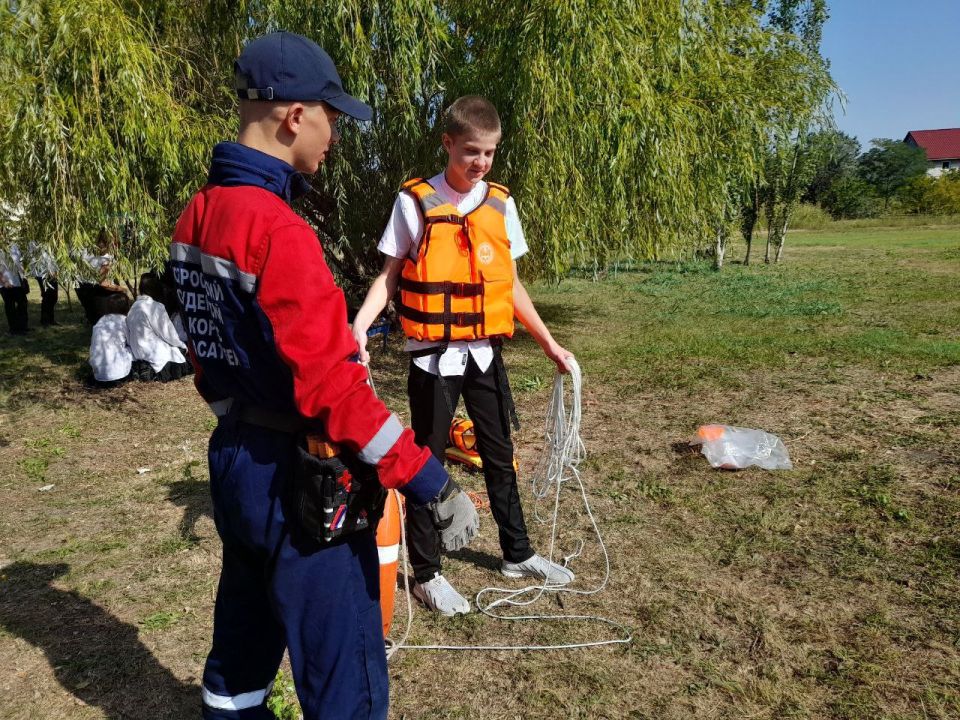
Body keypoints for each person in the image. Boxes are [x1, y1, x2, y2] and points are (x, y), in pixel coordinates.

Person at [168, 32, 478, 720]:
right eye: (332, 116)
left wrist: (244, 404)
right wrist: (432, 481)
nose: (336, 133)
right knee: (343, 676)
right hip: (303, 480)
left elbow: (203, 343)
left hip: (234, 461)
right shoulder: (279, 230)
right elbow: (333, 393)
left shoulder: (195, 215)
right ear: (292, 116)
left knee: (241, 649)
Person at [352, 95, 576, 617]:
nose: (480, 163)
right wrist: (359, 326)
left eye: (490, 154)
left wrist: (549, 343)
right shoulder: (414, 201)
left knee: (499, 456)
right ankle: (427, 573)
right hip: (433, 358)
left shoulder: (501, 202)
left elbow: (511, 284)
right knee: (424, 465)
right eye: (471, 152)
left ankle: (517, 553)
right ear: (448, 143)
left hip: (483, 354)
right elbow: (388, 277)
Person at [126, 272, 191, 381]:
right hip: (155, 354)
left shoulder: (133, 307)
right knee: (184, 359)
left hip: (139, 353)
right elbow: (168, 334)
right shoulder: (155, 307)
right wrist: (183, 346)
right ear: (157, 290)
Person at [88, 293, 133, 388]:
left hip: (98, 373)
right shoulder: (124, 321)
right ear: (126, 307)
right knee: (134, 350)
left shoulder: (101, 320)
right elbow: (131, 342)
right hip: (119, 374)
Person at [0, 242, 29, 335]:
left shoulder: (14, 245)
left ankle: (22, 326)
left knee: (23, 302)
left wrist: (23, 276)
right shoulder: (1, 247)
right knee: (10, 305)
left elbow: (19, 262)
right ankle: (14, 329)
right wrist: (4, 282)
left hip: (17, 281)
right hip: (5, 282)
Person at [27, 241, 58, 326]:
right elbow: (37, 257)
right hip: (42, 273)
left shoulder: (48, 239)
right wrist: (50, 271)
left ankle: (50, 319)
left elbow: (51, 256)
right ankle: (45, 320)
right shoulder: (33, 242)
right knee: (47, 296)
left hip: (51, 273)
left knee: (53, 297)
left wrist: (55, 270)